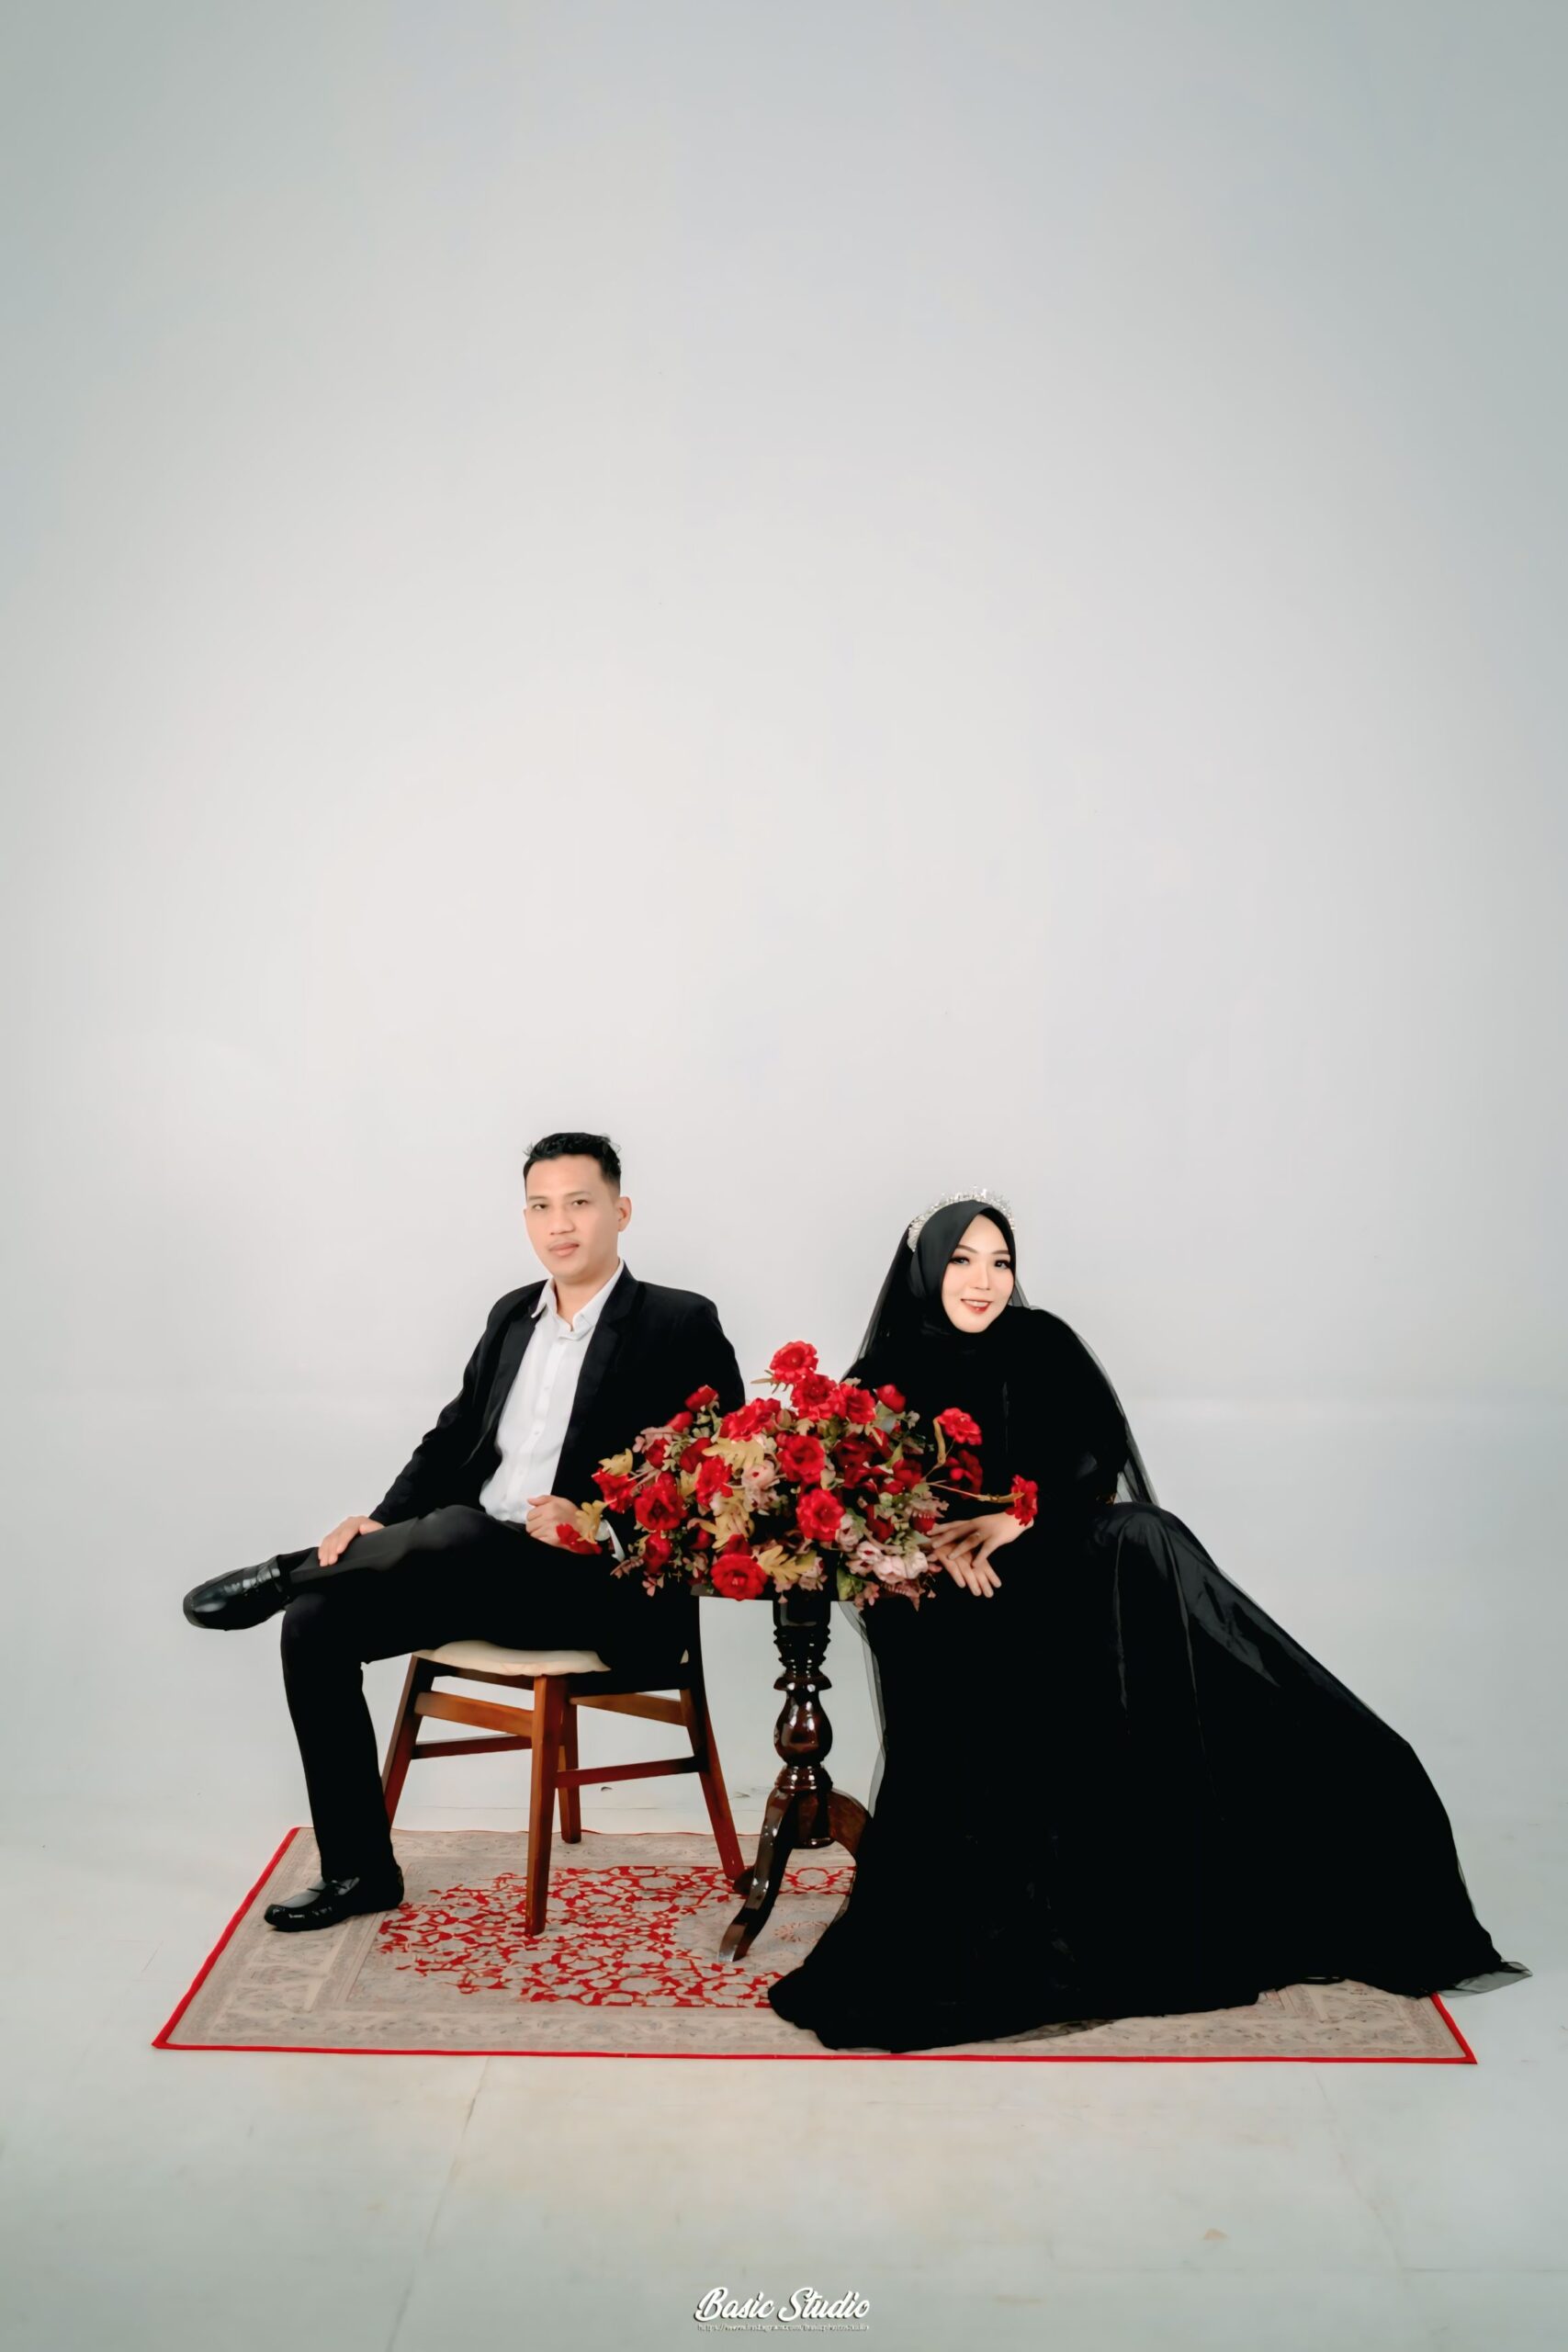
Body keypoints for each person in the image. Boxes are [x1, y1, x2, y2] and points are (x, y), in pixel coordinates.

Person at [765, 1189, 1529, 2052]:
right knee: (982, 1641)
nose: (983, 1281)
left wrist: (1018, 1516)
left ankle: (1282, 1770)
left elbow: (1094, 1454)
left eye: (1000, 1262)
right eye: (962, 1260)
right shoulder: (880, 1375)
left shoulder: (1041, 1340)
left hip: (1048, 1558)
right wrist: (931, 1548)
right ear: (925, 1269)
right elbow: (863, 1504)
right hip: (942, 1596)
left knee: (1145, 1534)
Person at [182, 1130, 744, 1933]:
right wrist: (380, 1523)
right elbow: (451, 1443)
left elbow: (716, 1478)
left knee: (454, 1531)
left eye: (579, 1203)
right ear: (525, 1218)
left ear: (620, 1211)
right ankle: (359, 1872)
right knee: (316, 1623)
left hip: (597, 1589)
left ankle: (283, 1571)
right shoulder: (511, 1316)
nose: (560, 1224)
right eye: (541, 1206)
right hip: (475, 1569)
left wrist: (597, 1523)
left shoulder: (678, 1321)